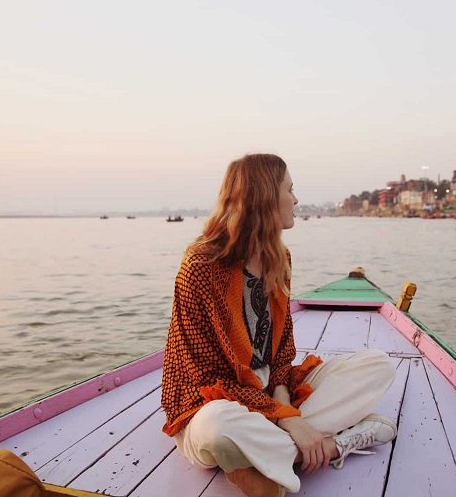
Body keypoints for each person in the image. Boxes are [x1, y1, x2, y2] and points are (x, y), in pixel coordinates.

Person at [161, 153, 397, 497]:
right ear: (265, 197)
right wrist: (289, 417)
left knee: (379, 366)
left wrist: (283, 400)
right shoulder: (200, 267)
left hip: (270, 392)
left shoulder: (279, 259)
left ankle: (263, 456)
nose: (296, 199)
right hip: (210, 402)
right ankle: (333, 446)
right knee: (217, 428)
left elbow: (283, 350)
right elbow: (206, 380)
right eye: (290, 189)